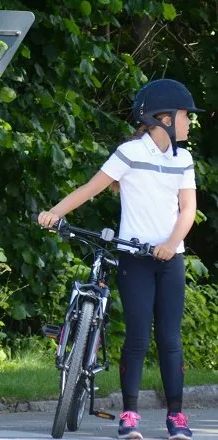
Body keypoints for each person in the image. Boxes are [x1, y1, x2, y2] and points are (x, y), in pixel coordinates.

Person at [38, 79, 203, 440]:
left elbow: (188, 208)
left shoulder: (184, 159)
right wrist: (53, 212)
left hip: (170, 260)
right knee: (138, 337)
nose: (189, 122)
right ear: (163, 118)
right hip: (136, 260)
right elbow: (90, 188)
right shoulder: (130, 154)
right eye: (185, 116)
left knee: (171, 340)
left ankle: (176, 417)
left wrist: (172, 242)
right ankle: (130, 414)